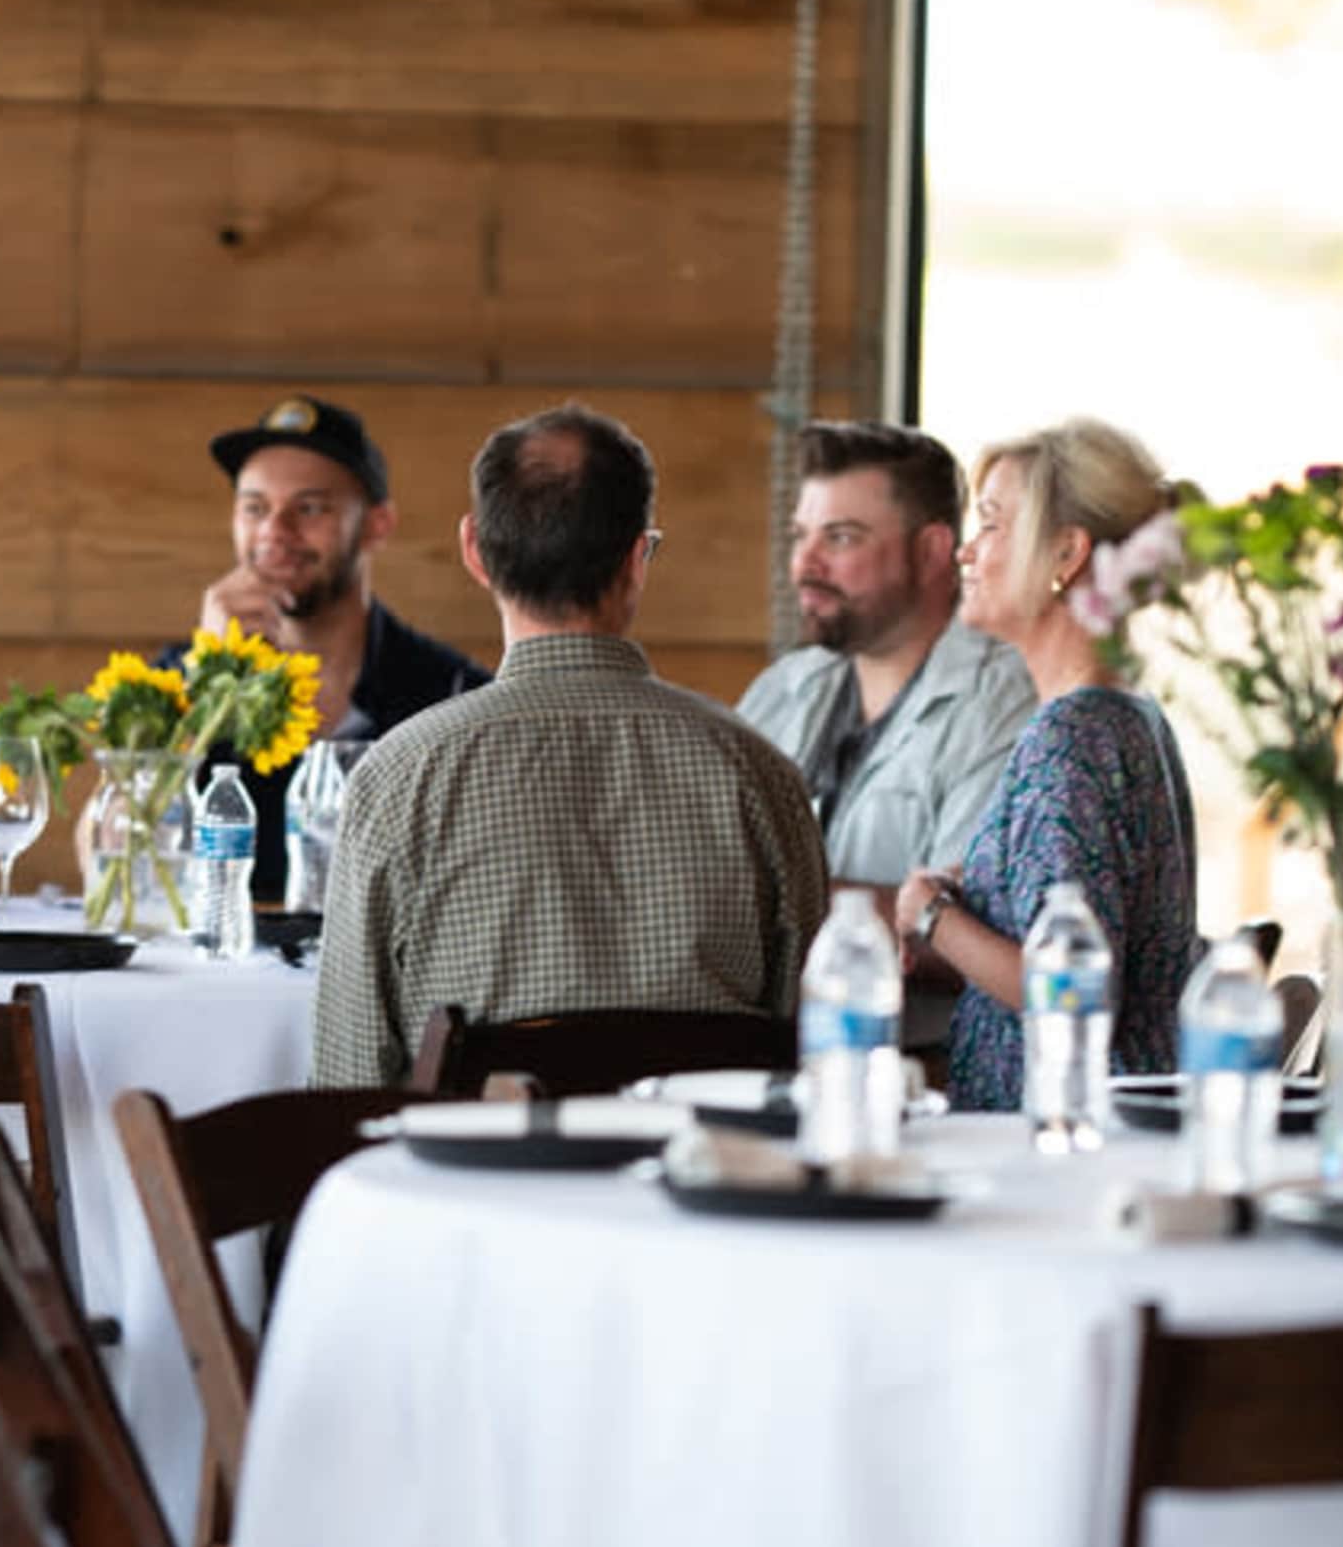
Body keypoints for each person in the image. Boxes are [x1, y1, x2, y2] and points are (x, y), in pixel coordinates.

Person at [312, 403, 827, 1086]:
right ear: (639, 557)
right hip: (696, 1178)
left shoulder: (399, 777)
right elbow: (817, 1049)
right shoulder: (761, 774)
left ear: (475, 552)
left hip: (473, 1187)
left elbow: (351, 1081)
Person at [893, 418, 1200, 1115]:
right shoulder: (1126, 716)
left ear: (1066, 553)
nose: (967, 551)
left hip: (1059, 1136)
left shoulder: (1073, 736)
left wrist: (930, 913)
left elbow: (1071, 986)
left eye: (993, 524)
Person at [735, 421, 1036, 1040]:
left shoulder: (1002, 701)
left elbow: (965, 935)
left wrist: (755, 896)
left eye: (840, 538)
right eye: (801, 536)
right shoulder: (783, 689)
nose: (804, 564)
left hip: (924, 1077)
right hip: (770, 1055)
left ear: (932, 550)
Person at [187, 395, 486, 903]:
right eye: (255, 507)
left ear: (377, 524)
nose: (275, 532)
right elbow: (103, 853)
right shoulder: (180, 679)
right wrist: (208, 685)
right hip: (214, 976)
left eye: (309, 508)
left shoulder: (457, 696)